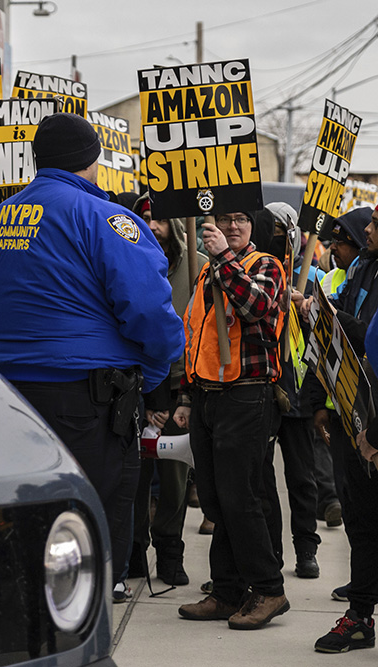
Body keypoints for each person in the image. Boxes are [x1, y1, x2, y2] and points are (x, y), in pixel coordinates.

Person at [0, 112, 184, 602]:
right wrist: (153, 374)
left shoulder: (1, 215)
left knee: (29, 504)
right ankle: (79, 614)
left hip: (10, 396)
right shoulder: (106, 218)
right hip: (86, 401)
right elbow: (151, 312)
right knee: (92, 511)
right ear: (92, 160)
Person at [174, 208, 290, 630]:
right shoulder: (209, 273)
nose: (233, 227)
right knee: (217, 499)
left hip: (246, 396)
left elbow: (255, 305)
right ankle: (226, 591)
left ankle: (268, 589)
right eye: (224, 220)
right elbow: (197, 335)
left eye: (241, 220)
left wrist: (223, 259)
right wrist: (187, 396)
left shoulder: (265, 266)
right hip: (208, 397)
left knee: (242, 498)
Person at [306, 204, 378, 652]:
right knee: (360, 518)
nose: (368, 229)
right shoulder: (362, 268)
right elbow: (342, 342)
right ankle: (360, 613)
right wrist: (320, 404)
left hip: (373, 425)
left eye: (375, 225)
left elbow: (368, 339)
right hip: (355, 416)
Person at [128, 192, 207, 586]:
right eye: (146, 219)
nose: (153, 227)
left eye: (160, 219)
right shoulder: (127, 263)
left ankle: (170, 554)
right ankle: (133, 553)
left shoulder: (199, 268)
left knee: (175, 480)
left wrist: (184, 396)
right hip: (138, 389)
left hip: (181, 389)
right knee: (135, 480)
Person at [251, 203, 324, 580]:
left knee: (302, 477)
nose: (277, 239)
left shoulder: (313, 275)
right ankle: (271, 553)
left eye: (283, 232)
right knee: (261, 480)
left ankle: (306, 548)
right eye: (271, 231)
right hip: (266, 386)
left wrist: (309, 308)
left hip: (300, 391)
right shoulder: (257, 271)